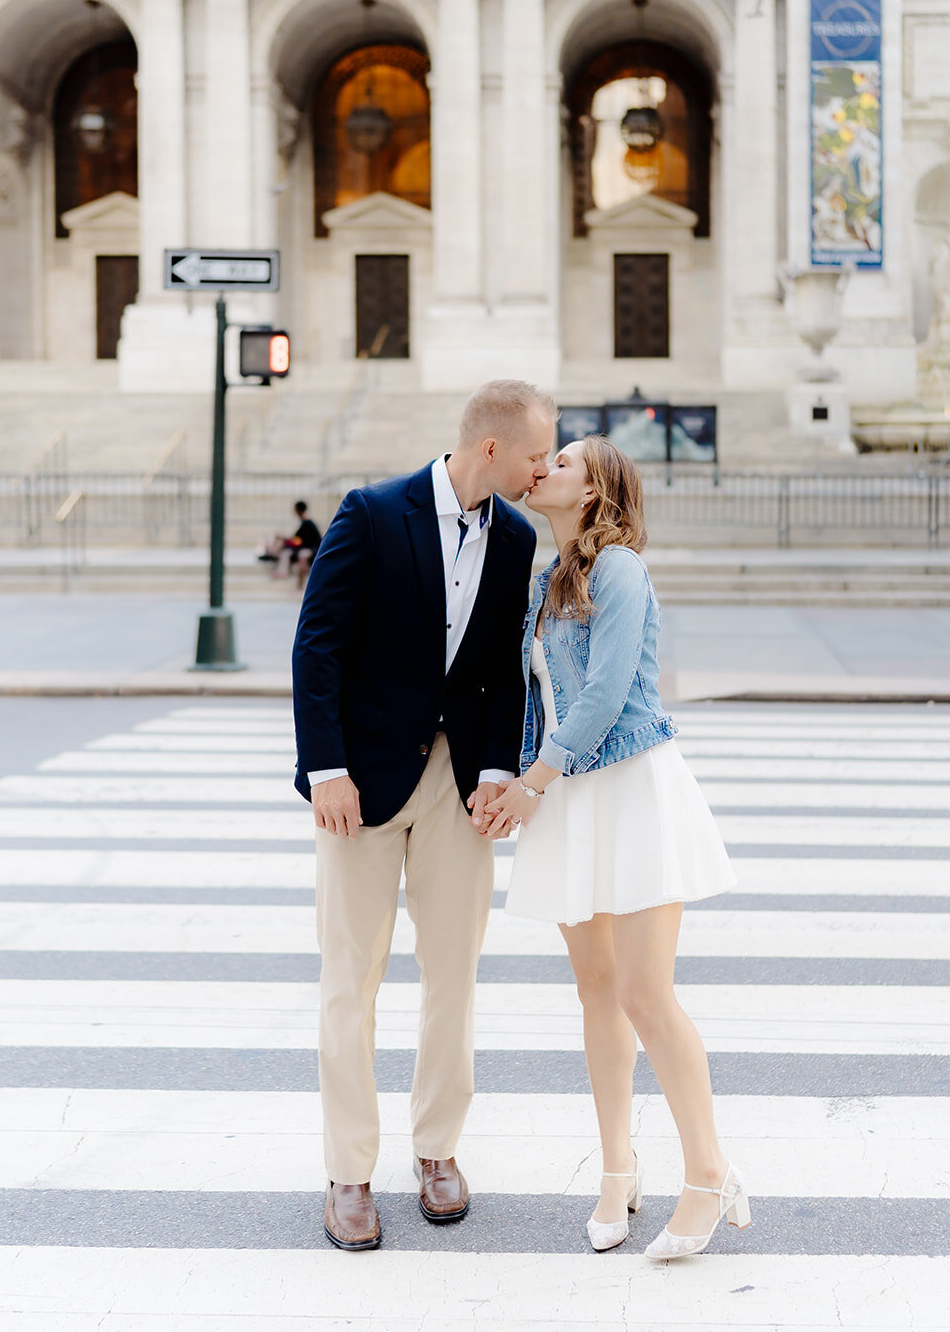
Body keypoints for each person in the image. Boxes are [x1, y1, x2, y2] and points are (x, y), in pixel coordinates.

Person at [292, 378, 557, 1251]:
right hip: (360, 784)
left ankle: (436, 1152)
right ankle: (349, 1172)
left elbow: (500, 667)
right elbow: (317, 645)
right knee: (349, 983)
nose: (542, 467)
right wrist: (325, 768)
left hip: (455, 787)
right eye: (534, 454)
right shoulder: (371, 513)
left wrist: (493, 769)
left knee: (454, 975)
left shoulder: (516, 536)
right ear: (491, 448)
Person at [476, 435, 747, 1261]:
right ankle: (617, 1169)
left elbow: (601, 692)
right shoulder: (546, 583)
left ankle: (708, 1175)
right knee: (594, 990)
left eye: (562, 462)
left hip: (626, 785)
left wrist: (532, 783)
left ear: (594, 491)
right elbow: (543, 699)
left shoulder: (618, 569)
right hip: (568, 796)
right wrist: (513, 781)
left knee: (643, 992)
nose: (543, 468)